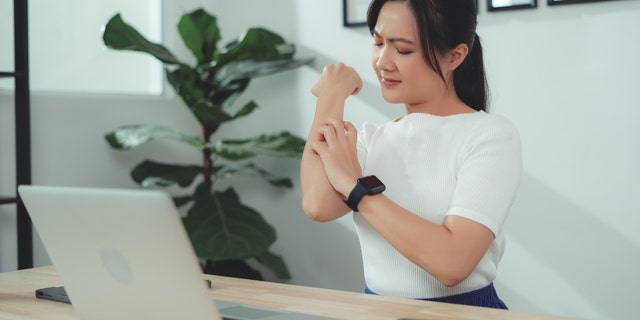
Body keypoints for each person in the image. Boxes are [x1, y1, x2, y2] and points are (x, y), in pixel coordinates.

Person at [300, 0, 522, 309]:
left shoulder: (490, 136)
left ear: (455, 55)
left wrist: (357, 189)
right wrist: (330, 96)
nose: (383, 62)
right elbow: (317, 205)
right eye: (378, 43)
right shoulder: (370, 139)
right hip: (379, 312)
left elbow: (452, 263)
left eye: (403, 50)